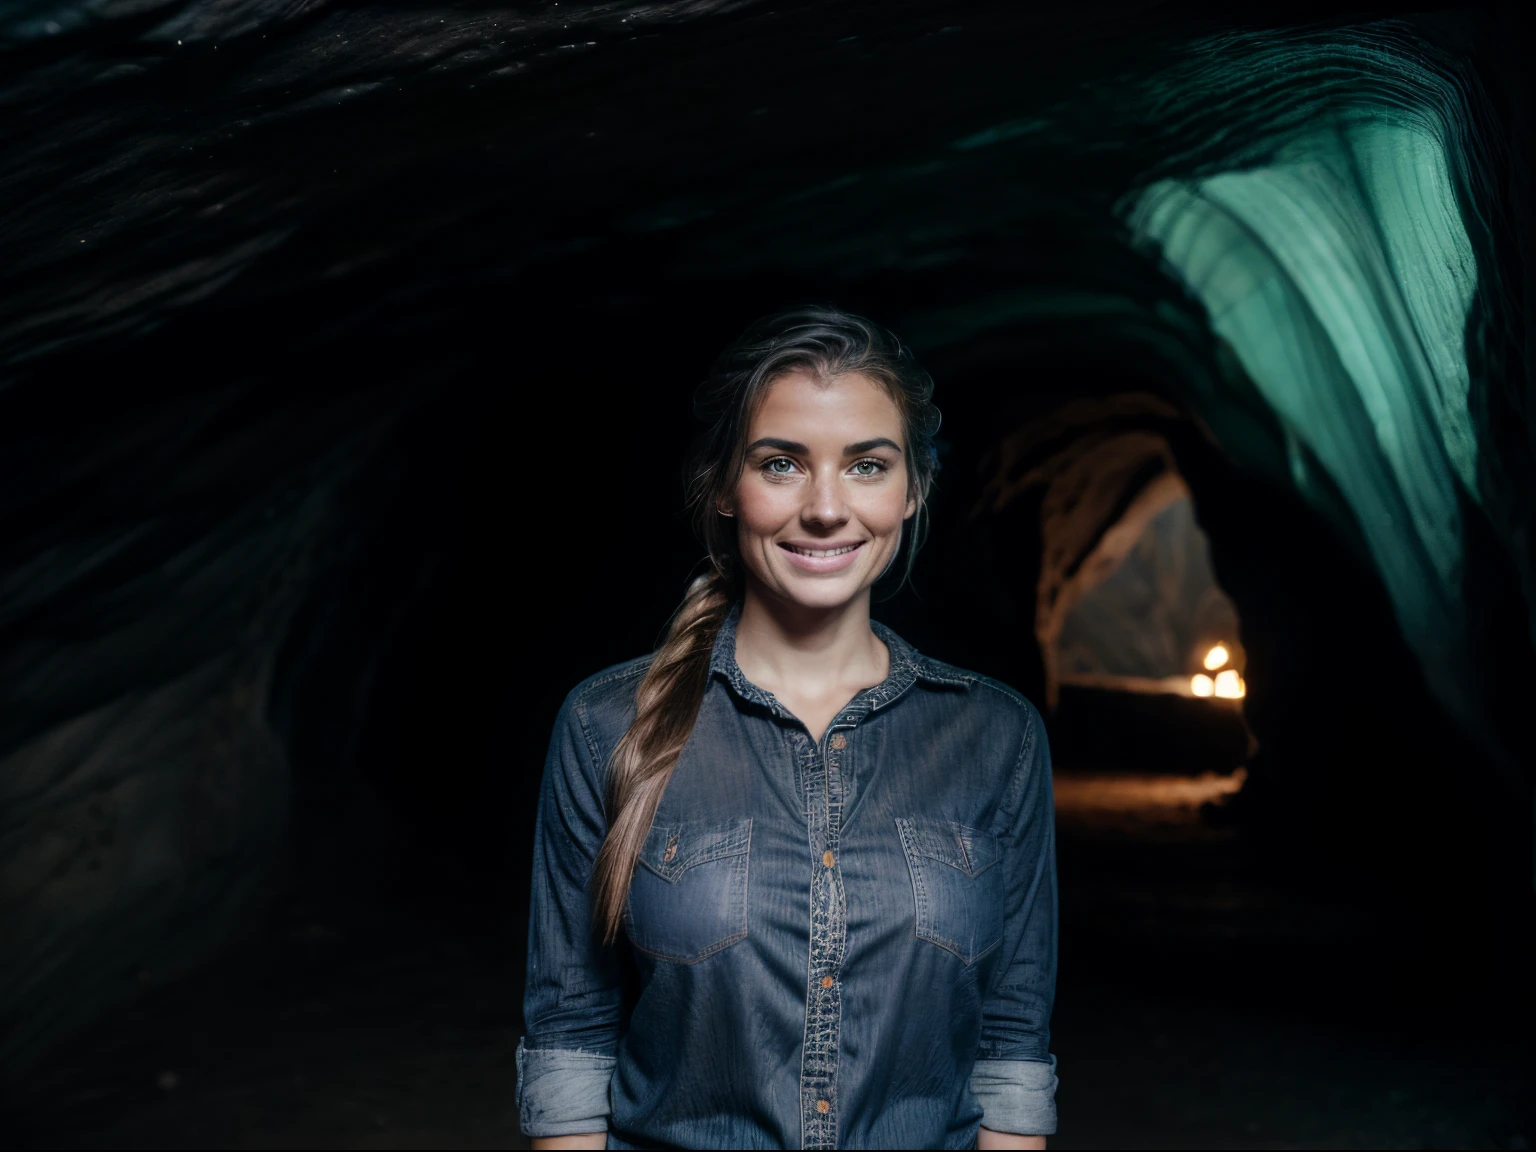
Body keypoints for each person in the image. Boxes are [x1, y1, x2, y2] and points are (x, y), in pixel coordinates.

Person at [517, 306, 1058, 1150]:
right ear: (725, 489)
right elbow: (570, 1042)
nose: (825, 508)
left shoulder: (997, 737)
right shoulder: (604, 727)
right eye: (781, 464)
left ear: (912, 490)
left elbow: (1012, 1044)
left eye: (867, 465)